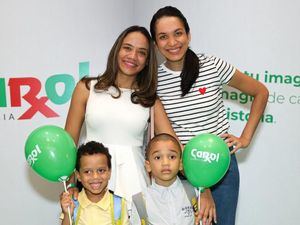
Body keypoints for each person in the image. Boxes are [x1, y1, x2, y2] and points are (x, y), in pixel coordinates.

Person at [150, 6, 269, 225]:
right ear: (155, 44)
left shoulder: (212, 65)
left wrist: (245, 138)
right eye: (163, 37)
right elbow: (168, 135)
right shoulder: (153, 80)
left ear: (188, 34)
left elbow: (260, 92)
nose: (173, 42)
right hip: (180, 169)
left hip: (221, 166)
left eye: (178, 33)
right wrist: (201, 184)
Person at [64, 25, 178, 218]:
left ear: (147, 61)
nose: (133, 56)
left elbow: (175, 147)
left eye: (141, 53)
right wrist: (70, 186)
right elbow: (67, 146)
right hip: (92, 179)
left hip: (135, 186)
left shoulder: (150, 100)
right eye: (127, 48)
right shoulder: (86, 88)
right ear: (117, 49)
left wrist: (203, 188)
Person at [132, 133, 216, 225]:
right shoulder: (140, 201)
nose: (165, 163)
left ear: (180, 164)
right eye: (158, 157)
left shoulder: (195, 191)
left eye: (172, 157)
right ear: (148, 166)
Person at [60, 141, 129, 225]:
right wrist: (67, 215)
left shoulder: (119, 204)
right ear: (78, 175)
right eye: (88, 171)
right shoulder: (73, 203)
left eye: (101, 170)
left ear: (109, 173)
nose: (95, 176)